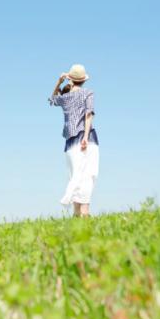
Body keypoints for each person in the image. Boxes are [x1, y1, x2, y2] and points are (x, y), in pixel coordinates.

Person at [49, 64, 99, 217]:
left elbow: (52, 100)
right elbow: (88, 115)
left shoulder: (65, 98)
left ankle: (77, 213)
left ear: (70, 79)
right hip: (87, 139)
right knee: (88, 175)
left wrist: (59, 82)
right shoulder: (88, 93)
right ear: (83, 80)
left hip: (70, 142)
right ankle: (84, 211)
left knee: (75, 175)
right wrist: (84, 136)